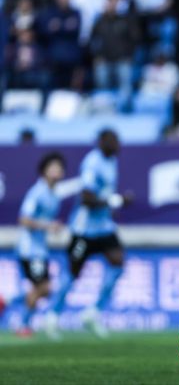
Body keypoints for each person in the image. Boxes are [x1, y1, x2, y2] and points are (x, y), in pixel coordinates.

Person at [45, 129, 133, 339]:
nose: (117, 145)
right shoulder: (92, 163)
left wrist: (112, 207)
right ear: (102, 142)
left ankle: (92, 313)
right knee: (73, 273)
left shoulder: (111, 161)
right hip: (83, 230)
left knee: (118, 263)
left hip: (104, 228)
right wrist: (118, 201)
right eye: (113, 141)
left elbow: (103, 193)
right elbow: (87, 198)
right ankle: (52, 316)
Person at [13, 152, 66, 337]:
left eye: (59, 168)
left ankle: (8, 302)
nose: (57, 171)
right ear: (44, 171)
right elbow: (24, 219)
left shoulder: (53, 194)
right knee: (43, 288)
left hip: (40, 249)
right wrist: (48, 226)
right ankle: (23, 325)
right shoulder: (38, 192)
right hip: (29, 249)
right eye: (53, 167)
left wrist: (51, 227)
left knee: (43, 290)